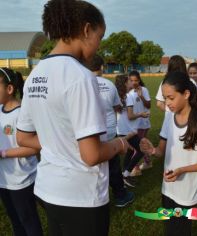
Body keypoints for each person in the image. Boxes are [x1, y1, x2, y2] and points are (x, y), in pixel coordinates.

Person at [16, 0, 129, 235]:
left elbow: (23, 137)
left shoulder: (36, 74)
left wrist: (57, 142)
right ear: (86, 30)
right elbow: (92, 155)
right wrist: (119, 144)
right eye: (100, 36)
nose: (99, 45)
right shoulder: (80, 77)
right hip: (81, 196)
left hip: (48, 190)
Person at [140, 71, 197, 236]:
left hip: (187, 192)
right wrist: (152, 150)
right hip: (168, 188)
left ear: (186, 94)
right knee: (170, 229)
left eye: (171, 98)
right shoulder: (169, 118)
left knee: (180, 231)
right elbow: (161, 151)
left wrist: (182, 170)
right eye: (165, 98)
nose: (167, 103)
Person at [85, 55, 134, 207]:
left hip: (88, 132)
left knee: (90, 165)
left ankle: (90, 196)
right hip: (109, 131)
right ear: (101, 67)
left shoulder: (82, 83)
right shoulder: (108, 84)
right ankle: (120, 195)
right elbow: (117, 107)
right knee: (113, 166)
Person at [0, 68, 43, 236]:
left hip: (21, 179)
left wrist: (3, 153)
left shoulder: (22, 114)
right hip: (4, 179)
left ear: (9, 89)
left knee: (28, 221)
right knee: (15, 221)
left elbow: (34, 148)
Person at [115, 75, 145, 188]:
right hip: (128, 131)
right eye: (128, 81)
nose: (131, 82)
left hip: (120, 130)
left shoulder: (118, 96)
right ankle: (126, 174)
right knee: (141, 150)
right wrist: (141, 114)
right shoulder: (129, 97)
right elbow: (131, 116)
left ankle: (124, 174)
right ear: (125, 84)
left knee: (130, 151)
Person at [127, 70, 152, 174]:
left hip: (143, 123)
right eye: (131, 80)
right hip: (133, 124)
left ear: (139, 80)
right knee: (141, 145)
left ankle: (136, 168)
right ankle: (147, 162)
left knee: (138, 146)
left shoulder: (144, 90)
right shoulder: (129, 93)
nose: (134, 82)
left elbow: (149, 105)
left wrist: (141, 96)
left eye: (136, 80)